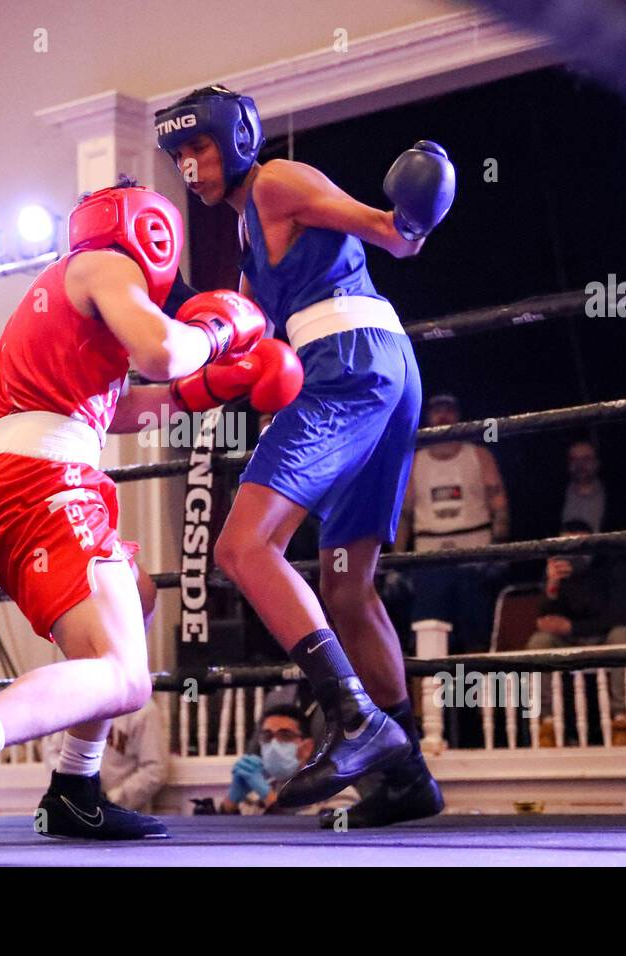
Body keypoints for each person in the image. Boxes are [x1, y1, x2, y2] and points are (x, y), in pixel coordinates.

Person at [0, 180, 302, 865]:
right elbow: (161, 351)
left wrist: (213, 386)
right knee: (123, 675)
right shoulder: (107, 264)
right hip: (43, 484)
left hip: (8, 485)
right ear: (153, 233)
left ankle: (73, 786)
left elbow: (116, 409)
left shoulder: (67, 295)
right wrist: (222, 330)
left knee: (139, 596)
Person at [156, 86, 452, 826]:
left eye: (199, 146)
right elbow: (249, 336)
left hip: (351, 362)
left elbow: (394, 235)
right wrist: (173, 313)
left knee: (242, 544)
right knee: (347, 588)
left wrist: (417, 207)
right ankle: (409, 776)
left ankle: (352, 717)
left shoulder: (281, 181)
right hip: (375, 370)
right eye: (179, 155)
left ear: (240, 137)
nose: (190, 165)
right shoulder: (250, 238)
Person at [397, 394, 510, 656]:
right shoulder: (415, 460)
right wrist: (398, 564)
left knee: (478, 635)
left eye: (449, 409)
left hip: (475, 555)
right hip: (430, 558)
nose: (443, 416)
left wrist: (500, 550)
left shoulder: (479, 455)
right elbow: (404, 514)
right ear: (428, 416)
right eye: (437, 410)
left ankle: (481, 696)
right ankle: (429, 696)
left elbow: (499, 505)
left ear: (458, 414)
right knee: (426, 630)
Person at [526, 520, 626, 747]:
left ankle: (622, 721)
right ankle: (548, 723)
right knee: (540, 642)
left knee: (622, 637)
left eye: (578, 546)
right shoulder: (556, 572)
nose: (573, 553)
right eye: (566, 546)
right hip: (570, 641)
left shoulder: (612, 566)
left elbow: (623, 615)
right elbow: (543, 621)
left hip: (606, 636)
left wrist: (573, 627)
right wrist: (551, 587)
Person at [41, 696, 170, 814]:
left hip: (124, 818)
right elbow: (52, 751)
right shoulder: (72, 703)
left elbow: (155, 769)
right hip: (73, 812)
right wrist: (74, 788)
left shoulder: (143, 708)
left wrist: (111, 799)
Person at [220, 705, 357, 816]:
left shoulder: (336, 791)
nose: (274, 745)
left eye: (285, 735)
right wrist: (229, 804)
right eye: (267, 736)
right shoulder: (254, 796)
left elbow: (327, 836)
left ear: (306, 747)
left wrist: (269, 797)